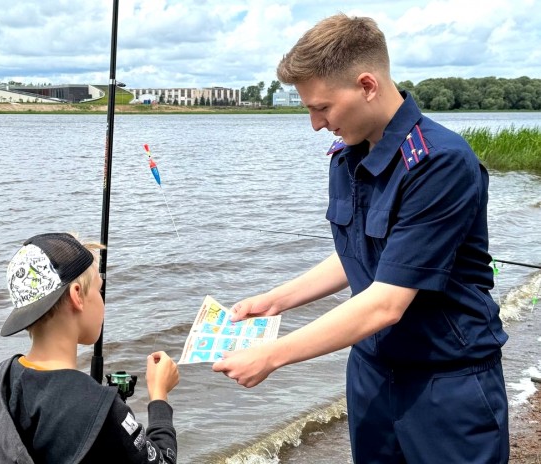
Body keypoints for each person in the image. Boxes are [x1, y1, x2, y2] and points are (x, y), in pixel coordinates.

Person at [212, 13, 509, 464]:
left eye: (322, 108)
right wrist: (275, 300)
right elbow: (357, 255)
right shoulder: (346, 155)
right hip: (371, 370)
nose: (316, 124)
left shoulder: (438, 162)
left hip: (446, 381)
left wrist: (272, 356)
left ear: (367, 85)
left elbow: (387, 300)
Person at [0, 232, 179, 463]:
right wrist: (159, 396)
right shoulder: (100, 408)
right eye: (99, 290)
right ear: (77, 295)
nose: (101, 300)